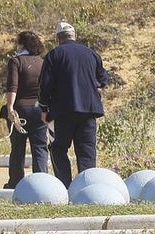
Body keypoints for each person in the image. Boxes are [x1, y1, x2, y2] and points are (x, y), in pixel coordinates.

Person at [40, 20, 108, 188]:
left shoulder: (54, 55)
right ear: (74, 36)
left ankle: (65, 187)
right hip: (89, 111)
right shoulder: (92, 54)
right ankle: (87, 188)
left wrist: (43, 108)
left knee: (58, 149)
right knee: (87, 151)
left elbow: (45, 85)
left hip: (63, 112)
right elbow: (103, 80)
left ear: (58, 38)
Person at [1, 30, 50, 189]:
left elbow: (12, 86)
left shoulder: (15, 61)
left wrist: (9, 108)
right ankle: (41, 183)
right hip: (39, 111)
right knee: (40, 148)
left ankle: (15, 182)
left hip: (20, 110)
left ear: (22, 44)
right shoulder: (43, 62)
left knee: (17, 149)